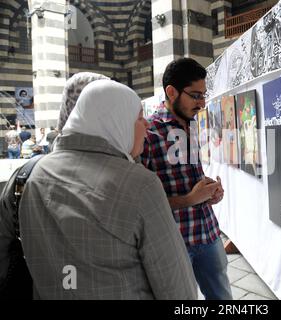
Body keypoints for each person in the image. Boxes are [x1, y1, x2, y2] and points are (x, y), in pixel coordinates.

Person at [4, 79, 197, 299]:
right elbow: (177, 288)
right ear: (116, 122)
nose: (147, 126)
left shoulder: (31, 175)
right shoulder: (140, 185)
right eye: (139, 118)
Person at [141, 58, 232, 300]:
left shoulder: (190, 125)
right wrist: (190, 199)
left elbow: (188, 178)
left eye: (204, 95)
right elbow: (141, 201)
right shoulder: (148, 134)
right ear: (171, 92)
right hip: (174, 242)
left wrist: (209, 191)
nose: (202, 103)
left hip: (209, 233)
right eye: (195, 95)